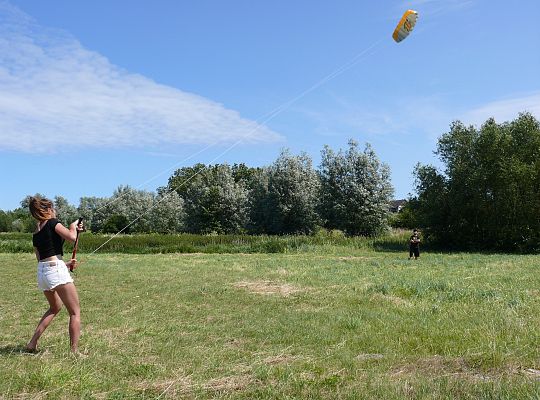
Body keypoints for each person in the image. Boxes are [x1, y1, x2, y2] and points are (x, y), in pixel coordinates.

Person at [26, 196, 84, 354]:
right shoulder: (53, 222)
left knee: (54, 307)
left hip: (43, 272)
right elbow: (72, 237)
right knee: (74, 312)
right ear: (48, 209)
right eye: (53, 208)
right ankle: (74, 352)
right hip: (55, 270)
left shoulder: (36, 233)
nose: (55, 211)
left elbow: (41, 258)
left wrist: (64, 264)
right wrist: (73, 226)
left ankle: (32, 343)